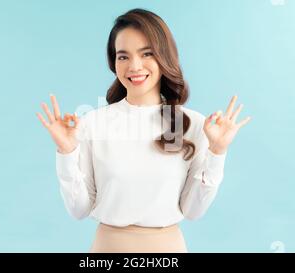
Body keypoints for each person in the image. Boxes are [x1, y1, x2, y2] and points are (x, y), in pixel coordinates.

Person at [36, 8, 251, 253]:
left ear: (164, 57)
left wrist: (217, 152)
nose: (134, 66)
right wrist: (66, 152)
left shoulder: (193, 125)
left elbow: (193, 211)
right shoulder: (92, 124)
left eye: (146, 53)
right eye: (123, 56)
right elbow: (79, 210)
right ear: (113, 62)